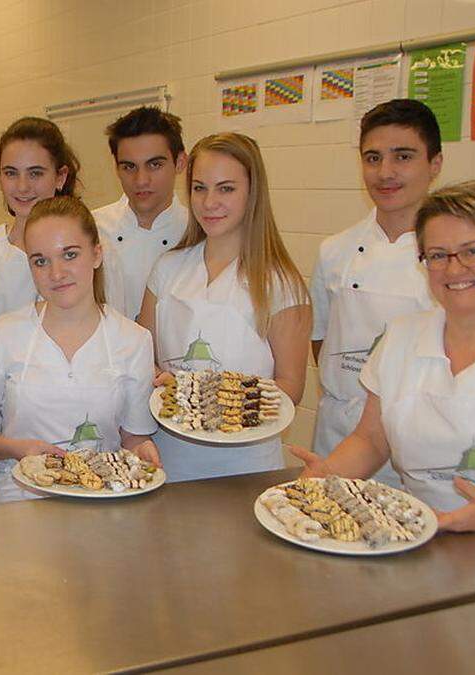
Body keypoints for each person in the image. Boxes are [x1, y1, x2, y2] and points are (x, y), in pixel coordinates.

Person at [293, 180, 475, 561]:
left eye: (473, 251)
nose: (454, 269)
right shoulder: (402, 337)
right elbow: (371, 440)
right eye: (437, 255)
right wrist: (325, 477)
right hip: (428, 544)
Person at [139, 132, 311, 481]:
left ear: (253, 193)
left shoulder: (281, 284)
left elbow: (290, 386)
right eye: (199, 188)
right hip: (169, 457)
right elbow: (143, 356)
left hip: (247, 464)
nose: (209, 202)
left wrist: (213, 399)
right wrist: (162, 380)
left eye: (226, 189)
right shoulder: (168, 268)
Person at [0, 196, 160, 503]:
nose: (55, 273)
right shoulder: (2, 334)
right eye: (40, 261)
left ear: (97, 254)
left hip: (102, 499)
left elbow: (133, 436)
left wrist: (142, 450)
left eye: (69, 255)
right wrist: (20, 450)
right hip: (20, 501)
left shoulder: (133, 340)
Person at [310, 99, 441, 486]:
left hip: (413, 438)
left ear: (434, 164)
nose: (385, 173)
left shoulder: (450, 262)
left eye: (403, 156)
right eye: (373, 158)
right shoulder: (334, 251)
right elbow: (321, 341)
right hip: (338, 431)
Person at [0, 116, 126, 384]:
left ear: (60, 176)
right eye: (11, 173)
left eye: (36, 173)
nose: (22, 186)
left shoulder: (98, 255)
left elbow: (114, 341)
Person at [93, 106, 188, 321]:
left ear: (180, 162)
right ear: (116, 168)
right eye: (129, 167)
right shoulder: (90, 229)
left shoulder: (198, 232)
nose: (141, 180)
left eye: (154, 165)